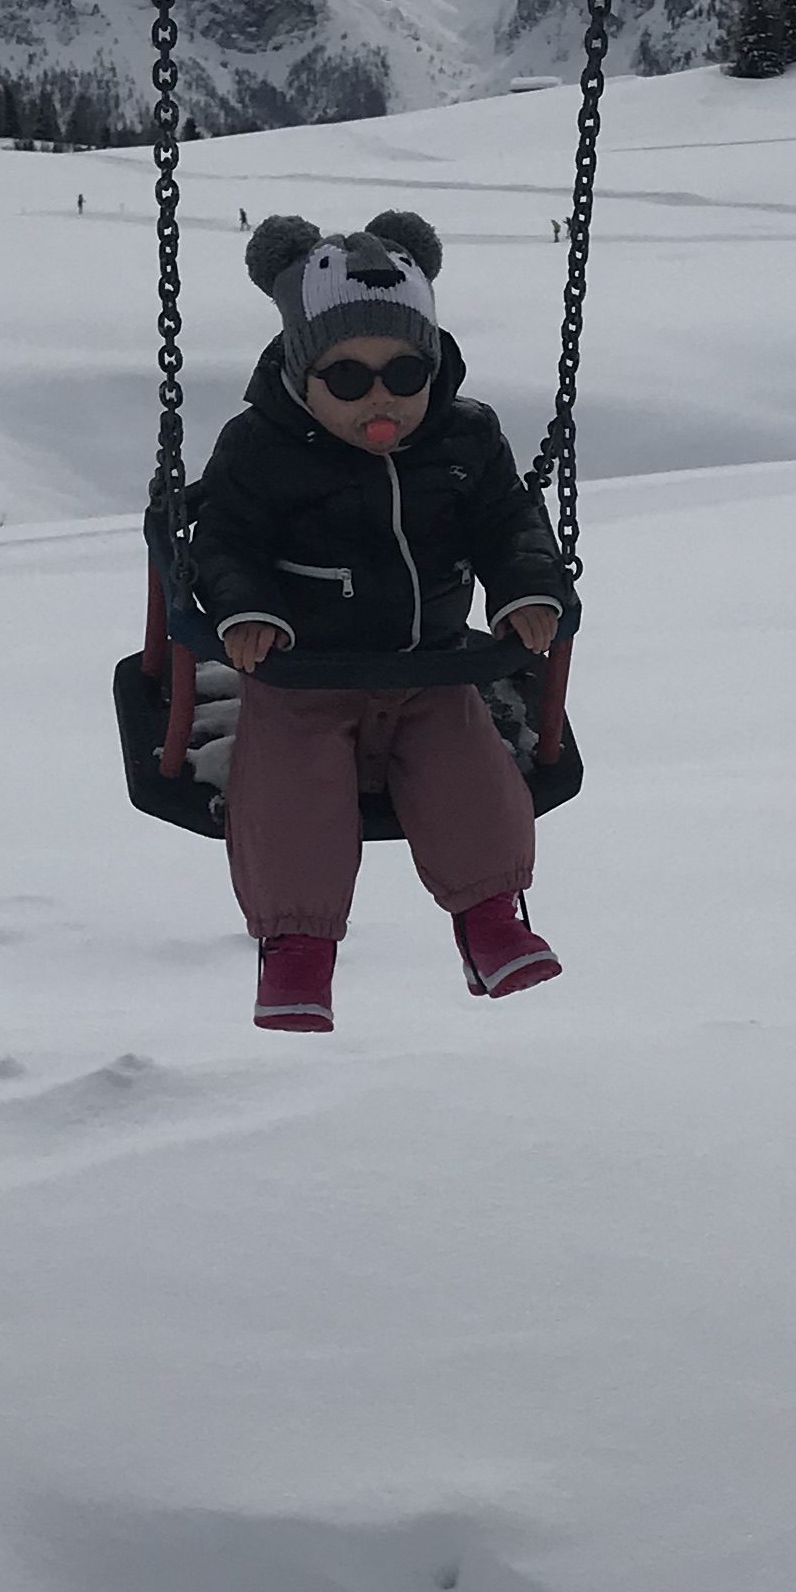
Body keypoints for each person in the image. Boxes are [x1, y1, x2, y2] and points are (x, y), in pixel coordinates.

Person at [188, 212, 570, 1035]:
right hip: (302, 672)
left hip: (432, 664)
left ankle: (492, 919)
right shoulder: (260, 449)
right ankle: (296, 949)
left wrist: (527, 589)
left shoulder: (466, 437)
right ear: (302, 372)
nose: (382, 399)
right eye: (349, 380)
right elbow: (224, 541)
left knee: (473, 777)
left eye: (405, 372)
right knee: (288, 796)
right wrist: (245, 612)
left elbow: (508, 523)